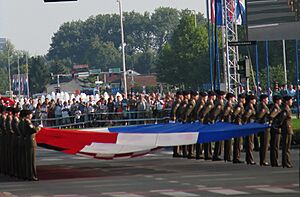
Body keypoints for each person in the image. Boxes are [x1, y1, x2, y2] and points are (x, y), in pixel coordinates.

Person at [22, 109, 40, 181]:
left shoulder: (24, 122)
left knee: (28, 159)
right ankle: (32, 175)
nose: (31, 116)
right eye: (31, 114)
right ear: (27, 115)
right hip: (30, 141)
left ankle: (28, 174)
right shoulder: (28, 122)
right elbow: (34, 130)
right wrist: (39, 128)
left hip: (27, 140)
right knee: (31, 160)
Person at [242, 94, 257, 165]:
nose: (255, 101)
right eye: (254, 99)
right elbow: (246, 117)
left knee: (249, 143)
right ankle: (250, 159)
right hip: (249, 126)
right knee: (250, 143)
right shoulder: (250, 108)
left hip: (249, 126)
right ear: (251, 100)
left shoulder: (250, 107)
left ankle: (248, 159)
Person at [256, 94, 270, 166]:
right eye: (267, 99)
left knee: (263, 144)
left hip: (262, 126)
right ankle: (263, 160)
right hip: (263, 126)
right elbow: (260, 116)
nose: (268, 100)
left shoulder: (261, 105)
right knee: (264, 144)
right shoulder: (263, 106)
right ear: (264, 99)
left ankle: (263, 159)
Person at [280, 95, 294, 168]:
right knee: (286, 147)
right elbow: (282, 119)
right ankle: (286, 162)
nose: (291, 101)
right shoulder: (285, 109)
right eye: (290, 100)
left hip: (288, 129)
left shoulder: (287, 108)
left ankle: (285, 162)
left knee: (287, 147)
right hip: (286, 130)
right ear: (286, 101)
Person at [221, 93, 235, 162]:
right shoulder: (228, 105)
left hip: (228, 123)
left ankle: (227, 156)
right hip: (228, 123)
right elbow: (225, 114)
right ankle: (228, 156)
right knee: (228, 141)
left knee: (228, 141)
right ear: (230, 98)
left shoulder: (229, 104)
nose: (234, 99)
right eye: (233, 98)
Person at [232, 94, 246, 164]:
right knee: (238, 142)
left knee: (238, 142)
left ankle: (237, 157)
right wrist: (238, 122)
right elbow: (234, 115)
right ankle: (236, 157)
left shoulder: (240, 106)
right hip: (238, 125)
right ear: (241, 99)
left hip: (238, 125)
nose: (244, 100)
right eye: (243, 99)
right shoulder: (239, 106)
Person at [269, 95, 283, 167]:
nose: (281, 101)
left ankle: (273, 161)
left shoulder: (275, 107)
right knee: (275, 146)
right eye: (280, 100)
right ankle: (275, 161)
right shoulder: (276, 108)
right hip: (275, 129)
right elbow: (271, 116)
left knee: (274, 145)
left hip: (274, 128)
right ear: (277, 100)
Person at [170, 91, 183, 157]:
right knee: (178, 137)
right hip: (178, 120)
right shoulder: (178, 102)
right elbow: (174, 110)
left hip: (178, 120)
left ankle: (177, 151)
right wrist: (174, 118)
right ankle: (176, 151)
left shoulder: (178, 101)